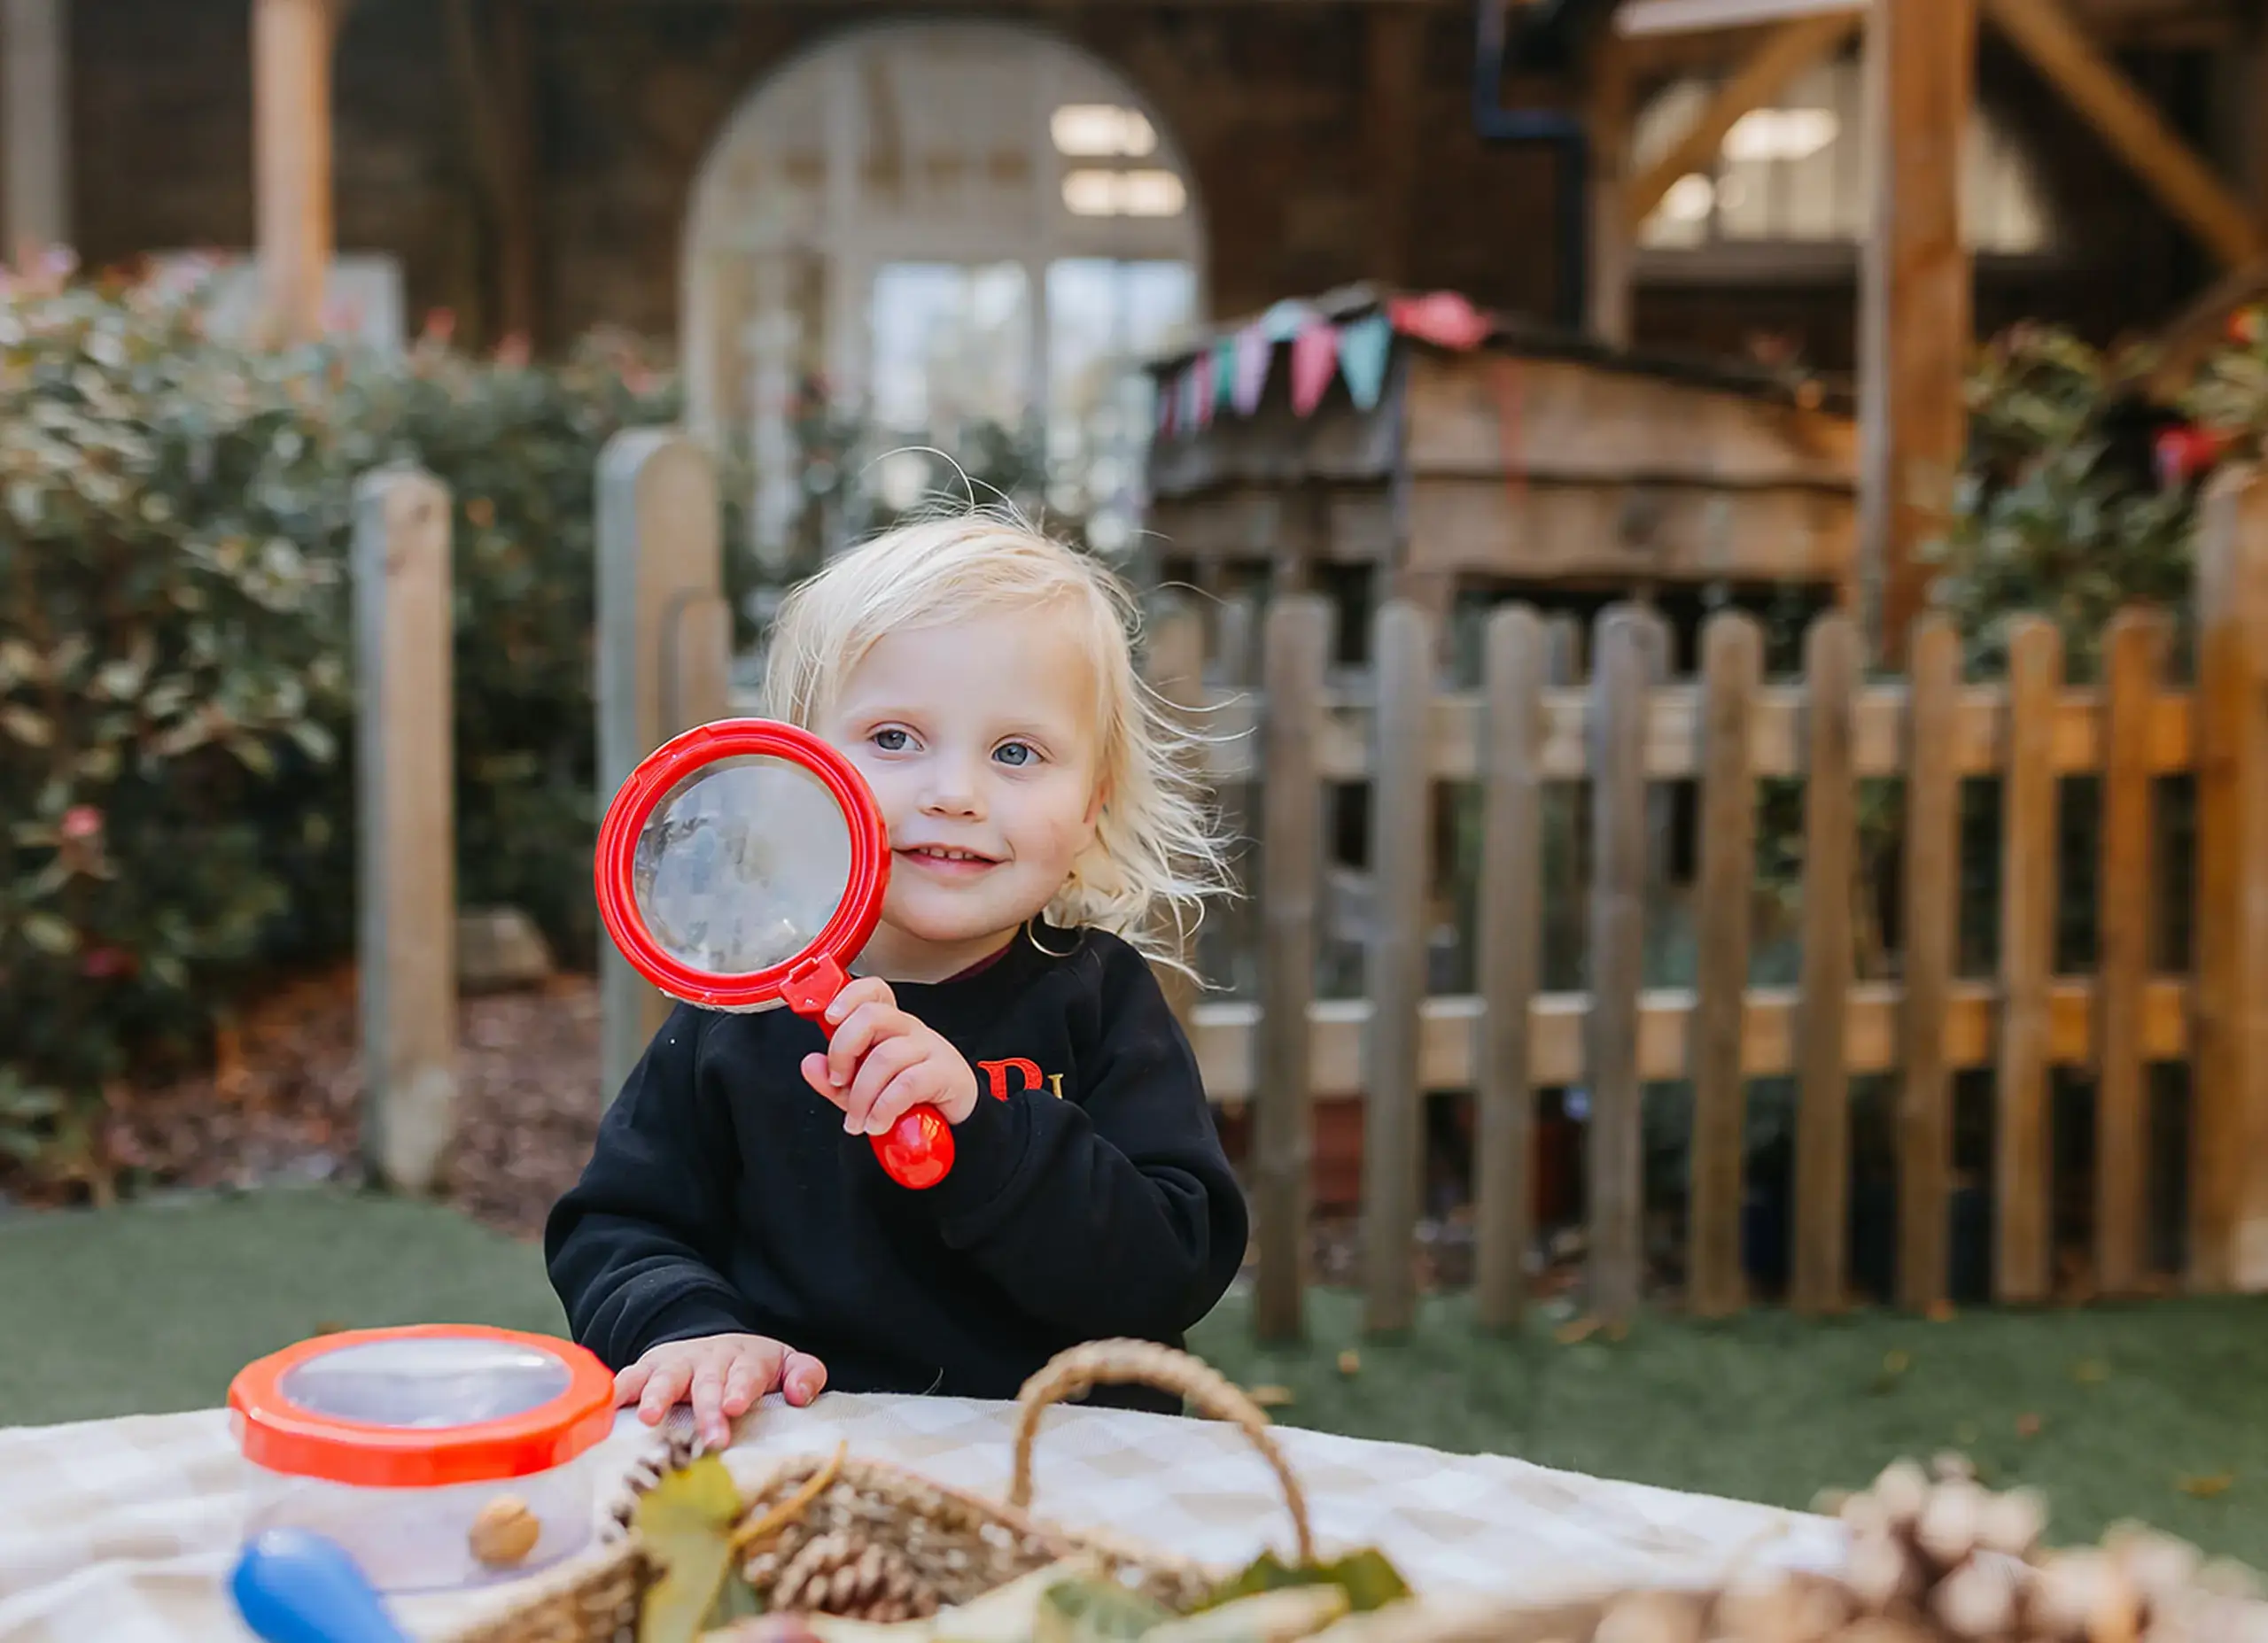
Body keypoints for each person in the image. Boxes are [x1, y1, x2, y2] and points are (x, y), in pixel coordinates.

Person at [546, 507, 1249, 1447]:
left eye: (1015, 752)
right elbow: (616, 1225)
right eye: (892, 739)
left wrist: (986, 1130)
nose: (954, 792)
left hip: (1060, 1479)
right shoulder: (739, 1012)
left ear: (1090, 807)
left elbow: (1171, 1269)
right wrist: (693, 1329)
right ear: (795, 773)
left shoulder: (1100, 1002)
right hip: (795, 1462)